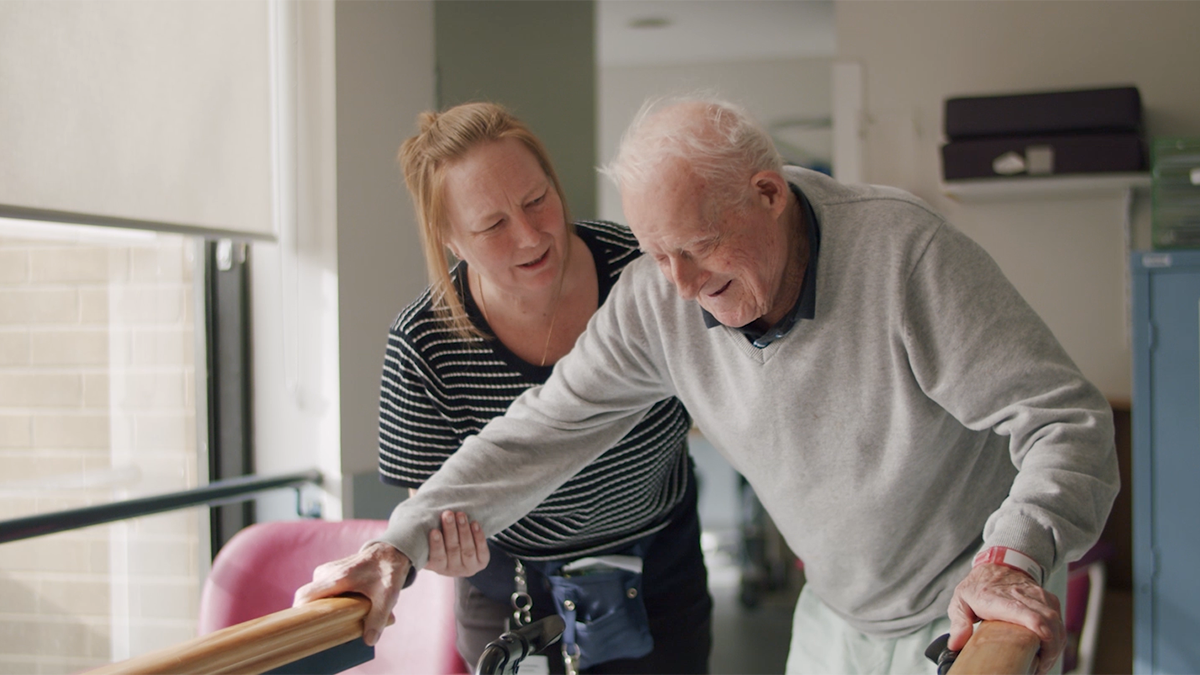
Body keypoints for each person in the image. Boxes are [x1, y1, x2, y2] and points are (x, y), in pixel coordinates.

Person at [297, 95, 1119, 675]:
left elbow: (1067, 422)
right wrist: (393, 547)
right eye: (658, 254)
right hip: (835, 612)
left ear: (767, 192)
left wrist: (1015, 555)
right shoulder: (654, 298)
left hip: (971, 604)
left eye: (696, 247)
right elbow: (537, 431)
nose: (683, 285)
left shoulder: (905, 255)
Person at [322, 102, 712, 674]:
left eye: (536, 200)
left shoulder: (643, 270)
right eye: (493, 225)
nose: (530, 236)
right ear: (451, 239)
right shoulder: (423, 342)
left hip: (659, 565)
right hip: (515, 591)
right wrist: (445, 550)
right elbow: (430, 502)